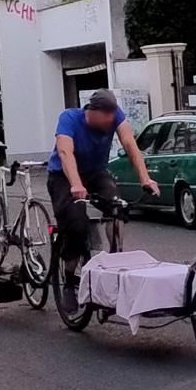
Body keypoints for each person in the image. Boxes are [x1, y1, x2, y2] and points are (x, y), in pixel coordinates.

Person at [47, 89, 159, 310]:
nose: (111, 119)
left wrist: (145, 178)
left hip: (95, 173)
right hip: (63, 176)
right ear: (92, 111)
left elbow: (130, 145)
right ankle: (68, 281)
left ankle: (116, 260)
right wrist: (76, 184)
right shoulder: (69, 118)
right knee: (76, 224)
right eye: (106, 114)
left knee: (117, 207)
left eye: (113, 114)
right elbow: (65, 152)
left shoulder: (115, 117)